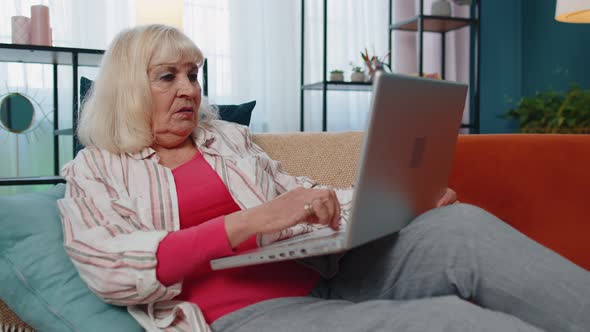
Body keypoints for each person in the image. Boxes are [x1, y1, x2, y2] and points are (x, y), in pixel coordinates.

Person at [58, 24, 590, 332]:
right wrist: (246, 223)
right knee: (449, 320)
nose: (189, 90)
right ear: (128, 87)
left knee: (462, 228)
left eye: (194, 75)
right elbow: (110, 268)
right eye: (167, 77)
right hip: (251, 315)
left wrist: (402, 199)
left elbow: (304, 199)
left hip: (332, 274)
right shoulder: (96, 171)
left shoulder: (227, 140)